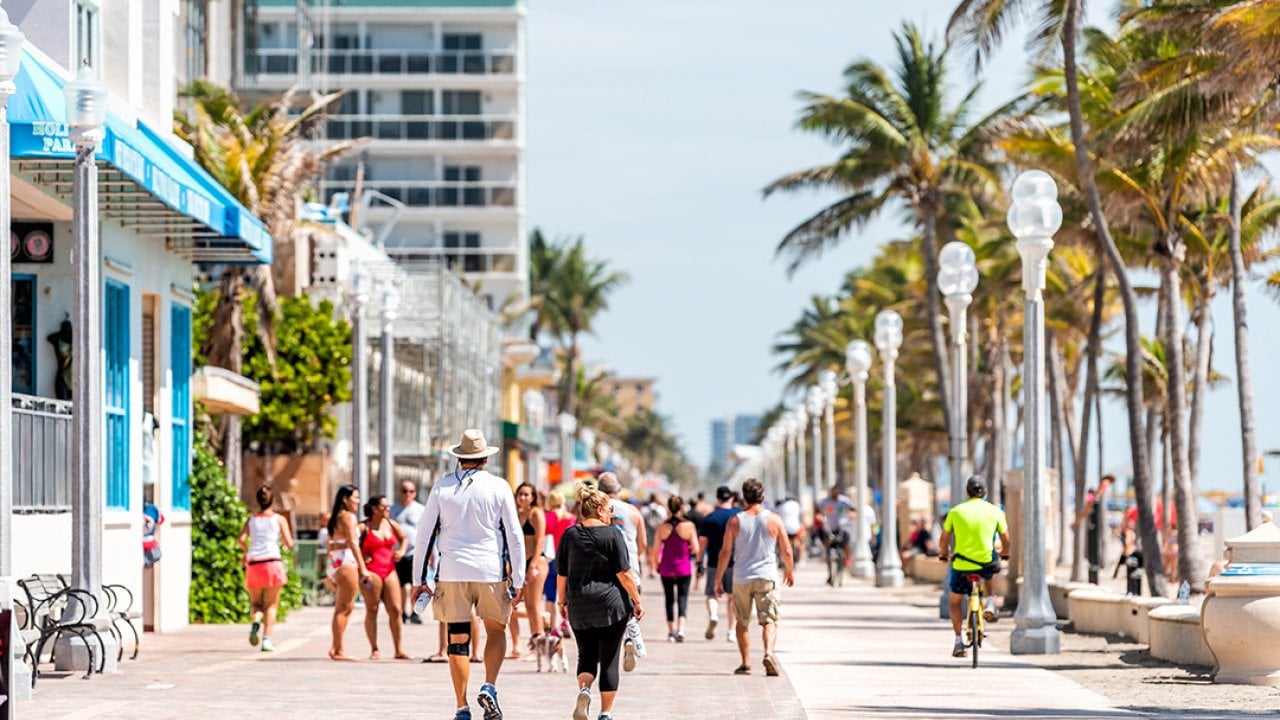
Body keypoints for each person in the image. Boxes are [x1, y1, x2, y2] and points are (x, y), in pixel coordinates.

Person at [412, 429, 525, 720]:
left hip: (451, 573)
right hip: (490, 571)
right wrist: (520, 578)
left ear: (459, 458)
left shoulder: (442, 488)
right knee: (496, 630)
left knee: (457, 639)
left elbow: (423, 537)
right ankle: (489, 685)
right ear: (486, 458)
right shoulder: (499, 487)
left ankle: (462, 706)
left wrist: (418, 581)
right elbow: (514, 535)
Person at [557, 483, 644, 720]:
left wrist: (562, 603)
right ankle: (605, 713)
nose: (611, 514)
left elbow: (562, 573)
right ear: (598, 510)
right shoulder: (614, 534)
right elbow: (625, 574)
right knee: (609, 659)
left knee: (585, 654)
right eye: (608, 509)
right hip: (611, 606)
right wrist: (636, 600)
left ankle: (584, 689)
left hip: (579, 605)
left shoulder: (570, 534)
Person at [714, 478, 794, 677]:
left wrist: (718, 578)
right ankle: (768, 653)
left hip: (742, 577)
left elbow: (725, 552)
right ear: (763, 497)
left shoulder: (735, 521)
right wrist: (790, 571)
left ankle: (746, 663)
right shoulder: (774, 519)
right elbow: (786, 549)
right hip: (767, 576)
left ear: (743, 498)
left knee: (742, 621)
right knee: (769, 620)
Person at [939, 475, 1011, 658]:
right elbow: (1006, 539)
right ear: (985, 492)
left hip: (962, 562)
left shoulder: (955, 512)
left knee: (955, 601)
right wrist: (1005, 553)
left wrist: (943, 554)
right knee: (993, 566)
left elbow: (944, 539)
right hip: (985, 561)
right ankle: (991, 601)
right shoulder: (995, 511)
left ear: (967, 492)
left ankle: (957, 641)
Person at [597, 472, 647, 670]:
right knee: (630, 609)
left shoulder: (598, 510)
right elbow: (642, 542)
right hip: (630, 568)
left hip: (604, 569)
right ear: (617, 491)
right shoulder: (634, 512)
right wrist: (633, 556)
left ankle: (614, 647)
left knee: (608, 614)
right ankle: (629, 638)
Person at [238, 485, 294, 653]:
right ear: (272, 500)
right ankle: (267, 640)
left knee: (255, 603)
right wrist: (282, 544)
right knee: (271, 604)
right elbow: (289, 543)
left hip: (254, 563)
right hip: (272, 562)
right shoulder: (279, 519)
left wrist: (247, 551)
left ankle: (256, 621)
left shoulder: (251, 519)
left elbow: (241, 539)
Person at [327, 484, 375, 661]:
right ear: (345, 499)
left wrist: (328, 570)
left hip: (335, 560)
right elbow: (353, 543)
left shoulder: (336, 517)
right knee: (345, 607)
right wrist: (363, 568)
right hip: (346, 560)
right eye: (355, 497)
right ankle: (339, 650)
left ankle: (335, 646)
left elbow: (329, 543)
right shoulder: (348, 517)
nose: (358, 501)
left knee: (341, 607)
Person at [359, 494, 410, 660]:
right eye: (384, 506)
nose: (388, 509)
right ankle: (374, 648)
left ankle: (399, 649)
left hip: (389, 570)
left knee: (396, 610)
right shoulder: (363, 527)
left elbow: (404, 538)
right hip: (371, 571)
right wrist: (363, 556)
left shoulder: (390, 524)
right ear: (374, 509)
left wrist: (401, 551)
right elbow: (351, 546)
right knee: (372, 609)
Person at [650, 495, 700, 642]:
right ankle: (681, 629)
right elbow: (696, 549)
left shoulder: (662, 527)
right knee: (683, 598)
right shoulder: (689, 526)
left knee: (669, 599)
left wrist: (656, 564)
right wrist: (686, 550)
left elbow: (655, 550)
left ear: (668, 508)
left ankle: (671, 631)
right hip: (684, 568)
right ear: (682, 507)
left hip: (666, 567)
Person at [699, 485, 741, 642]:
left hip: (713, 563)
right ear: (731, 498)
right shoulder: (738, 516)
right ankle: (731, 631)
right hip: (733, 562)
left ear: (717, 499)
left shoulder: (710, 518)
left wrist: (698, 561)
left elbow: (702, 542)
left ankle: (714, 614)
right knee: (732, 597)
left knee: (711, 594)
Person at [511, 482, 548, 656]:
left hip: (536, 562)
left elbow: (540, 540)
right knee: (512, 605)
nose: (523, 497)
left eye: (526, 494)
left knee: (533, 606)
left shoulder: (536, 514)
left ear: (533, 497)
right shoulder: (517, 514)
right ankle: (517, 646)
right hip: (520, 564)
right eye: (520, 494)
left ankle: (538, 648)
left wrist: (532, 567)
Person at [542, 492, 577, 636]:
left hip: (551, 559)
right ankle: (565, 622)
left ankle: (552, 628)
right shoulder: (571, 518)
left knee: (550, 595)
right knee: (566, 593)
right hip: (568, 559)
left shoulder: (547, 517)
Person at [392, 480, 427, 624]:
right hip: (398, 553)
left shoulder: (420, 509)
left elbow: (426, 532)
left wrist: (430, 553)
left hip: (415, 552)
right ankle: (402, 612)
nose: (408, 494)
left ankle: (414, 611)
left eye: (411, 491)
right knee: (400, 585)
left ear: (415, 493)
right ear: (400, 492)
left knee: (415, 584)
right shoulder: (393, 509)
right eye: (405, 491)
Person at [1073, 474, 1115, 584]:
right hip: (1092, 528)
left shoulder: (1098, 498)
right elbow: (1086, 512)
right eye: (1105, 485)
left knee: (1095, 553)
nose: (1106, 488)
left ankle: (1094, 577)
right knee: (1092, 553)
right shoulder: (1092, 497)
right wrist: (1076, 523)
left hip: (1096, 529)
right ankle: (1092, 579)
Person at [817, 487, 855, 585]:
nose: (835, 495)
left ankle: (846, 560)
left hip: (842, 528)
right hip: (830, 528)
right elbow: (817, 510)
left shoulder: (844, 501)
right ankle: (830, 573)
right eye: (833, 493)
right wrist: (819, 517)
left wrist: (851, 515)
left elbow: (853, 510)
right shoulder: (825, 501)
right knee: (828, 549)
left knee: (846, 544)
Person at [641, 494, 669, 578]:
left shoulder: (644, 509)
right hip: (658, 532)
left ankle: (651, 570)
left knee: (649, 553)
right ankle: (656, 567)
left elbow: (642, 522)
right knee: (657, 551)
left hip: (648, 532)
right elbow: (665, 520)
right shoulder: (661, 509)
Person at [777, 496, 804, 567]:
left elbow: (778, 516)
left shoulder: (782, 505)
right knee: (799, 542)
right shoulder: (797, 505)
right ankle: (800, 560)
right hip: (796, 527)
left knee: (782, 543)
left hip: (785, 527)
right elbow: (801, 516)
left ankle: (781, 558)